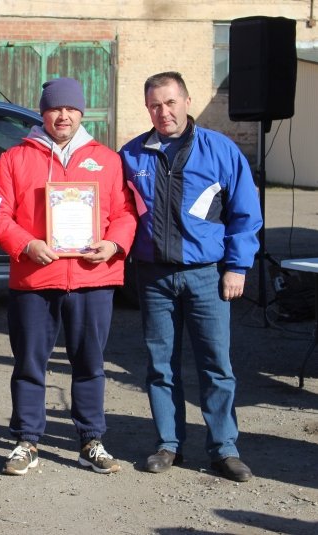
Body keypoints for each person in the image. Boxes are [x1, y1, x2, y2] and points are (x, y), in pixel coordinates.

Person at [119, 71, 261, 483]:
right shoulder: (132, 155)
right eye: (154, 105)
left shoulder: (221, 151)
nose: (163, 112)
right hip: (154, 277)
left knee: (216, 365)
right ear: (147, 109)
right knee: (160, 365)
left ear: (186, 100)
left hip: (207, 276)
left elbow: (245, 214)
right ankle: (168, 444)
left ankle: (223, 448)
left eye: (170, 102)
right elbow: (119, 213)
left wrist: (237, 267)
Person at [0, 78, 137, 476]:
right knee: (28, 363)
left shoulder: (107, 159)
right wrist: (25, 244)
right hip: (35, 278)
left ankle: (91, 440)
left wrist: (114, 244)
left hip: (93, 277)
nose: (63, 116)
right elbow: (0, 215)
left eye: (71, 109)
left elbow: (125, 213)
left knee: (90, 363)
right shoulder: (14, 159)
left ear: (81, 112)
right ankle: (27, 440)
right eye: (55, 109)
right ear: (43, 113)